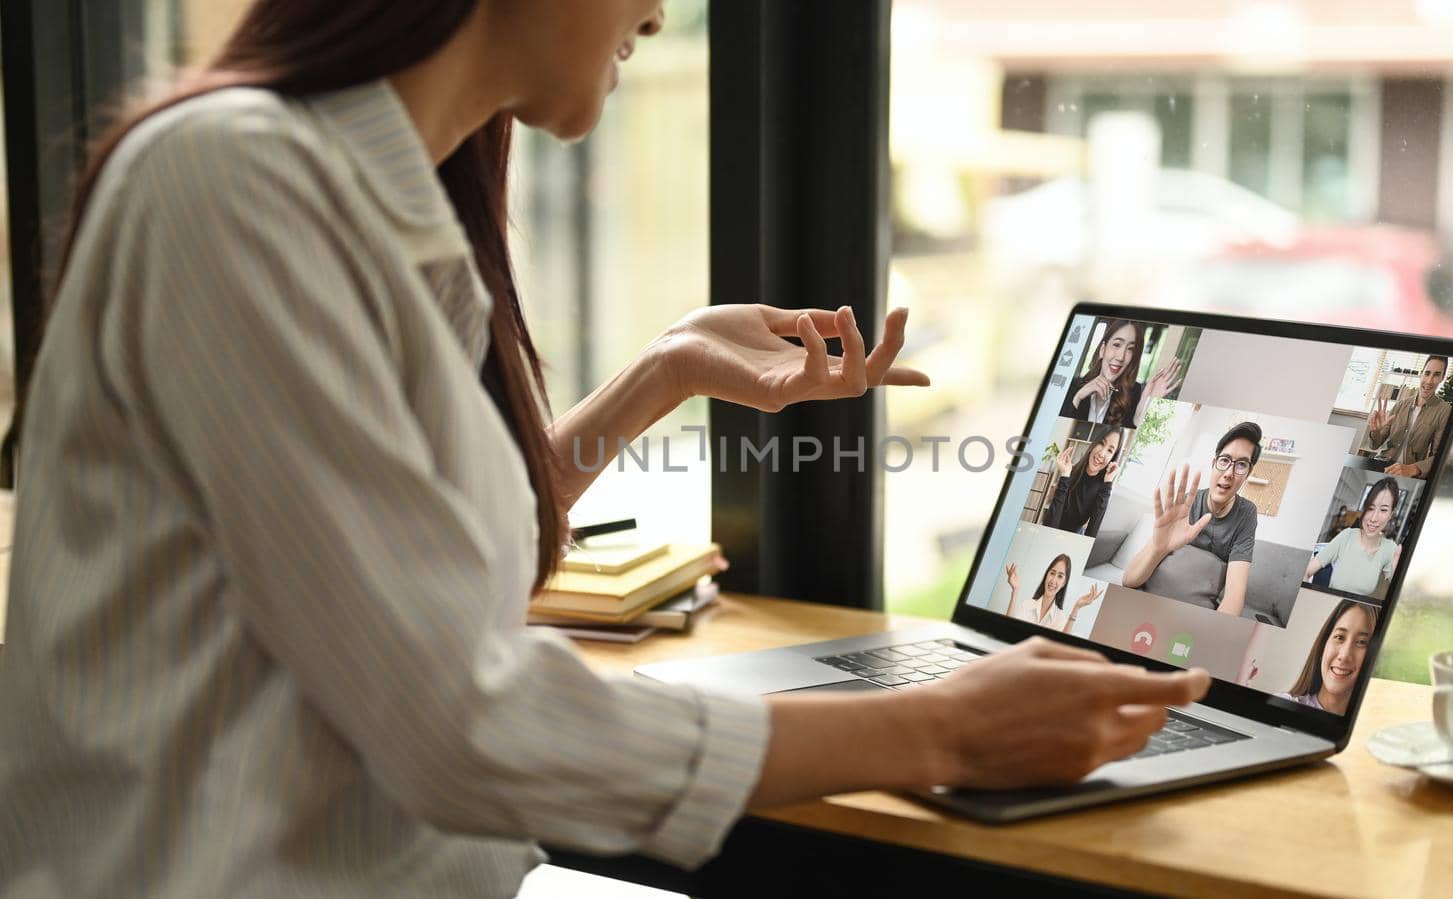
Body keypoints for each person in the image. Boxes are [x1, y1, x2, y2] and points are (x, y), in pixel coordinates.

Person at [0, 3, 1212, 895]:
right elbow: (460, 723)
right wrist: (942, 727)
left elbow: (425, 563)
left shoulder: (383, 204)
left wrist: (665, 371)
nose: (662, 11)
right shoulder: (234, 187)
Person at [1121, 422, 1263, 616]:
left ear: (1248, 472)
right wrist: (1159, 547)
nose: (1229, 473)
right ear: (1214, 463)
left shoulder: (1246, 514)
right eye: (1224, 461)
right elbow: (1128, 580)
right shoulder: (1185, 505)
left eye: (1241, 465)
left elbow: (1234, 595)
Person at [1060, 319, 1181, 429]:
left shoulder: (1134, 394)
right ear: (1103, 349)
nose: (1121, 357)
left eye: (1130, 349)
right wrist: (1077, 398)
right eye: (1117, 345)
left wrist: (1139, 417)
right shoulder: (1071, 387)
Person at [1304, 478, 1401, 597]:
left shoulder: (1390, 549)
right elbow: (1307, 571)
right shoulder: (1347, 536)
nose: (1373, 518)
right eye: (1370, 508)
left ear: (1391, 514)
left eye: (1383, 510)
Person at [1277, 601, 1376, 715]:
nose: (1344, 656)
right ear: (1323, 646)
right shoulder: (1284, 706)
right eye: (1339, 637)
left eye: (1361, 642)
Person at [1364, 355, 1452, 479]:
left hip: (1409, 473)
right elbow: (1374, 446)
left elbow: (1440, 456)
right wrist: (1375, 432)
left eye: (1436, 375)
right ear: (1421, 374)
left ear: (1442, 378)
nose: (1429, 380)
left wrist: (1413, 469)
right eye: (1427, 373)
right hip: (1382, 465)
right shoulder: (1400, 405)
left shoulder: (1444, 411)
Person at [1040, 425, 1122, 535]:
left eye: (1110, 450)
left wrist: (1108, 483)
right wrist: (1065, 475)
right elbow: (1049, 524)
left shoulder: (1104, 489)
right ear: (1094, 443)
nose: (1101, 454)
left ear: (1113, 457)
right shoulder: (1070, 471)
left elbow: (1092, 533)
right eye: (1101, 443)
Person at [1003, 555, 1102, 632]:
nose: (1053, 580)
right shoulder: (1027, 604)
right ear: (1047, 574)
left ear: (1064, 583)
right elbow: (1007, 628)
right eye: (1052, 573)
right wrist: (1015, 591)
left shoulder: (1060, 619)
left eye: (1060, 576)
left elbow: (1061, 646)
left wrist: (1077, 607)